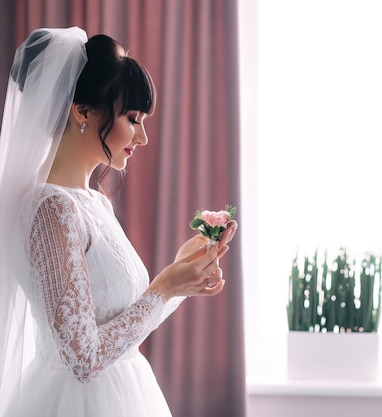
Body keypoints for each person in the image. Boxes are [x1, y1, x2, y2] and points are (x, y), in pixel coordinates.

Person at [0, 27, 237, 416]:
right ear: (82, 110)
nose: (142, 137)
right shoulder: (52, 209)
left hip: (125, 392)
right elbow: (83, 359)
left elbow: (124, 322)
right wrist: (164, 288)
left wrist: (181, 275)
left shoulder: (94, 201)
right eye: (132, 118)